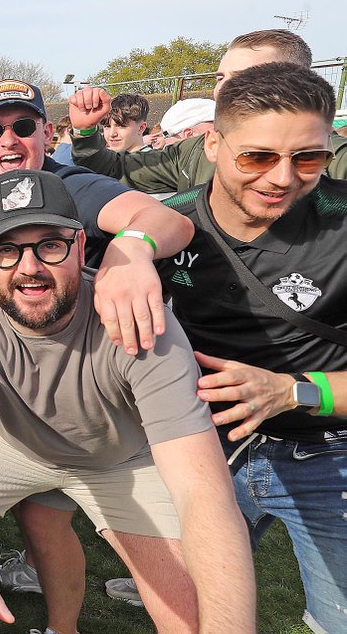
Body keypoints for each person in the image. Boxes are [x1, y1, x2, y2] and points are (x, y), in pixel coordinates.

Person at [0, 168, 255, 634]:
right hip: (8, 442)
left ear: (79, 245)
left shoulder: (140, 323)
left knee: (191, 615)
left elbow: (205, 494)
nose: (29, 267)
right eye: (6, 249)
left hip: (121, 459)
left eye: (49, 245)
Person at [0, 78, 196, 634]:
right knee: (36, 523)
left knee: (172, 582)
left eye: (24, 126)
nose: (9, 139)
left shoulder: (71, 187)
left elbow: (168, 220)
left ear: (48, 132)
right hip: (11, 394)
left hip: (93, 399)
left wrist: (127, 252)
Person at [152, 62, 346, 634]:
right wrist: (130, 251)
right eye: (257, 157)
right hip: (204, 454)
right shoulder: (166, 223)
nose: (283, 177)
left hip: (327, 454)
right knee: (191, 607)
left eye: (308, 158)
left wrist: (292, 391)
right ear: (212, 143)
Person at [71, 29, 347, 191]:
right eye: (219, 77)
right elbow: (112, 169)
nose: (221, 90)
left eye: (241, 77)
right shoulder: (194, 153)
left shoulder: (337, 160)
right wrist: (85, 130)